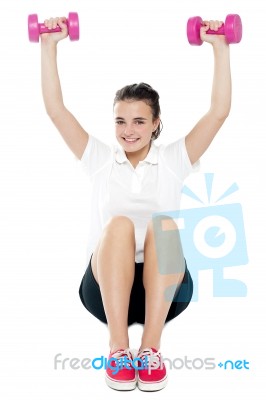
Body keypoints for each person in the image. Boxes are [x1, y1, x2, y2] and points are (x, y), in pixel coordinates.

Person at [41, 16, 231, 392]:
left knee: (165, 226)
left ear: (156, 124)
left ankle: (151, 349)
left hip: (165, 294)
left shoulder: (175, 160)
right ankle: (117, 348)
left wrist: (220, 47)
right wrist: (50, 46)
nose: (129, 130)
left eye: (140, 121)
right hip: (106, 292)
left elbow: (218, 112)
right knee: (120, 225)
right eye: (121, 121)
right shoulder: (99, 159)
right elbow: (56, 110)